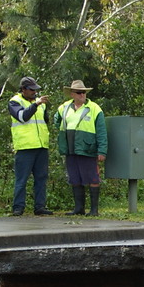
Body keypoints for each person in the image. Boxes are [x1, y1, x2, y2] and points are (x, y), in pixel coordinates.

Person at [54, 80, 108, 216]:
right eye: (79, 92)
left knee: (92, 178)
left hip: (88, 148)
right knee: (74, 178)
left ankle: (94, 210)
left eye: (84, 92)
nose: (82, 95)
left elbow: (102, 132)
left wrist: (102, 150)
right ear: (72, 94)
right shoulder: (64, 108)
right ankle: (79, 208)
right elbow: (57, 121)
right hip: (70, 148)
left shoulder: (95, 108)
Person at [8, 76, 53, 216]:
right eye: (32, 90)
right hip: (25, 147)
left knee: (41, 178)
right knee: (22, 179)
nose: (35, 92)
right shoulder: (15, 102)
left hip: (41, 146)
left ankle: (40, 207)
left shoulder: (41, 104)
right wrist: (36, 104)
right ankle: (18, 207)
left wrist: (38, 104)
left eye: (36, 90)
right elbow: (22, 117)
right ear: (23, 89)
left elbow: (45, 121)